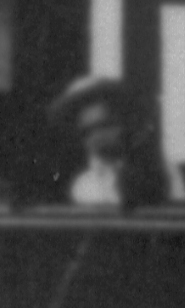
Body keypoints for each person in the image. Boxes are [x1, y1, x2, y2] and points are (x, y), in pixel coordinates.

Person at [51, 72, 177, 208]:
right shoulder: (84, 185)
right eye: (87, 132)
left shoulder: (162, 171)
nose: (97, 136)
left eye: (104, 126)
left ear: (123, 123)